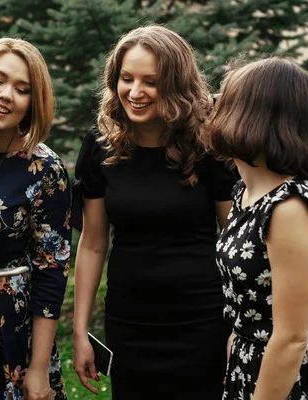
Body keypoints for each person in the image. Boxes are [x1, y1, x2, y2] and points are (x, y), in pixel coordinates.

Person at [72, 25, 237, 399]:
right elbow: (94, 244)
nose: (135, 92)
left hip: (202, 321)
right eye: (126, 79)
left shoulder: (208, 145)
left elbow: (233, 241)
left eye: (151, 81)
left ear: (177, 83)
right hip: (129, 324)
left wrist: (240, 327)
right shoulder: (99, 146)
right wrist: (81, 332)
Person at [201, 57, 308, 399]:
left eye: (225, 100)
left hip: (298, 378)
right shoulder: (244, 192)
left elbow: (291, 338)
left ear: (253, 117)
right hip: (253, 365)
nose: (214, 107)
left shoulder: (288, 207)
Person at [0, 38, 72, 400]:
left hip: (11, 328)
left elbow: (51, 268)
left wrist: (38, 367)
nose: (6, 95)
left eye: (21, 89)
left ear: (33, 103)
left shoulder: (44, 169)